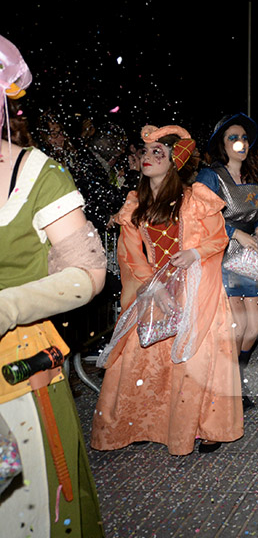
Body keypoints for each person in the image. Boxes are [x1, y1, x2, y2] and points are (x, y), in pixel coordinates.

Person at [0, 34, 106, 537]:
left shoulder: (38, 172)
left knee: (19, 511)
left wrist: (9, 305)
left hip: (14, 374)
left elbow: (87, 274)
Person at [91, 123, 243, 458]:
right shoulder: (135, 203)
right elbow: (129, 252)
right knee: (142, 357)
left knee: (196, 359)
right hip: (154, 288)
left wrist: (194, 253)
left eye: (157, 152)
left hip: (196, 288)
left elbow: (218, 239)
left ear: (174, 161)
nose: (147, 157)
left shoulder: (196, 199)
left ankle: (204, 425)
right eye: (144, 151)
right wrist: (154, 284)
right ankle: (142, 424)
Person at [196, 114, 258, 410]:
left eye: (243, 137)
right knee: (237, 328)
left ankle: (234, 380)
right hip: (222, 256)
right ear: (221, 145)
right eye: (232, 137)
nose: (240, 142)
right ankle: (230, 389)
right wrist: (236, 232)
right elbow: (201, 216)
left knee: (254, 328)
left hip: (251, 257)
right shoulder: (210, 176)